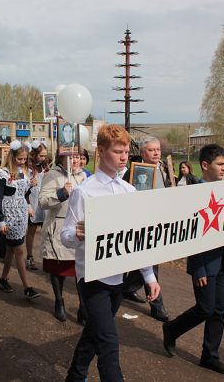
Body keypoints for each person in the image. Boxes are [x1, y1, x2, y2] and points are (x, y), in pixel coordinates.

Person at [61, 124, 160, 381]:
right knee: (108, 340)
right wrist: (79, 235)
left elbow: (137, 238)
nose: (124, 156)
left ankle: (75, 375)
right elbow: (66, 236)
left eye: (126, 151)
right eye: (118, 151)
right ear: (101, 152)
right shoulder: (85, 191)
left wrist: (149, 276)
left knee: (95, 332)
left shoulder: (129, 191)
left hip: (119, 276)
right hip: (92, 278)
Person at [163, 144, 224, 376]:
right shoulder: (194, 195)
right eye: (220, 164)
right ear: (205, 165)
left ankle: (209, 356)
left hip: (222, 259)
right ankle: (172, 329)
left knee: (219, 310)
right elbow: (191, 237)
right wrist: (198, 269)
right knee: (205, 308)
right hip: (205, 264)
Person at [121, 136, 170, 322]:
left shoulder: (163, 168)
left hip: (158, 221)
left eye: (158, 149)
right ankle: (157, 305)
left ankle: (128, 287)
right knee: (150, 261)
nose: (156, 153)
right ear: (143, 153)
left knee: (144, 261)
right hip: (140, 224)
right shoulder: (133, 172)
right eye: (151, 150)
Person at [39, 153, 87, 322]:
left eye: (78, 157)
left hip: (79, 229)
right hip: (58, 227)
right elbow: (42, 202)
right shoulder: (51, 175)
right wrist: (61, 193)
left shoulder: (83, 176)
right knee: (58, 269)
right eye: (70, 157)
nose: (75, 160)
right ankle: (59, 302)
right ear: (61, 158)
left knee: (81, 271)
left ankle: (83, 307)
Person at [0, 141, 40, 299]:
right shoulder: (3, 173)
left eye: (24, 159)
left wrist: (29, 204)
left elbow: (24, 193)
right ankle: (27, 287)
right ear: (12, 156)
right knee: (19, 249)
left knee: (11, 248)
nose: (22, 162)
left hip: (21, 212)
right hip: (9, 214)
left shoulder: (24, 171)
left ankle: (3, 279)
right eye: (20, 159)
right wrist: (0, 221)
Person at [25, 141, 49, 271]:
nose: (43, 158)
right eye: (41, 155)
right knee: (32, 231)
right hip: (33, 202)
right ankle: (29, 257)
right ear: (34, 154)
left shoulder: (46, 167)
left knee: (46, 231)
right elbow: (23, 187)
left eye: (45, 156)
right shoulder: (28, 168)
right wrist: (30, 183)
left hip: (43, 202)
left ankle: (47, 258)